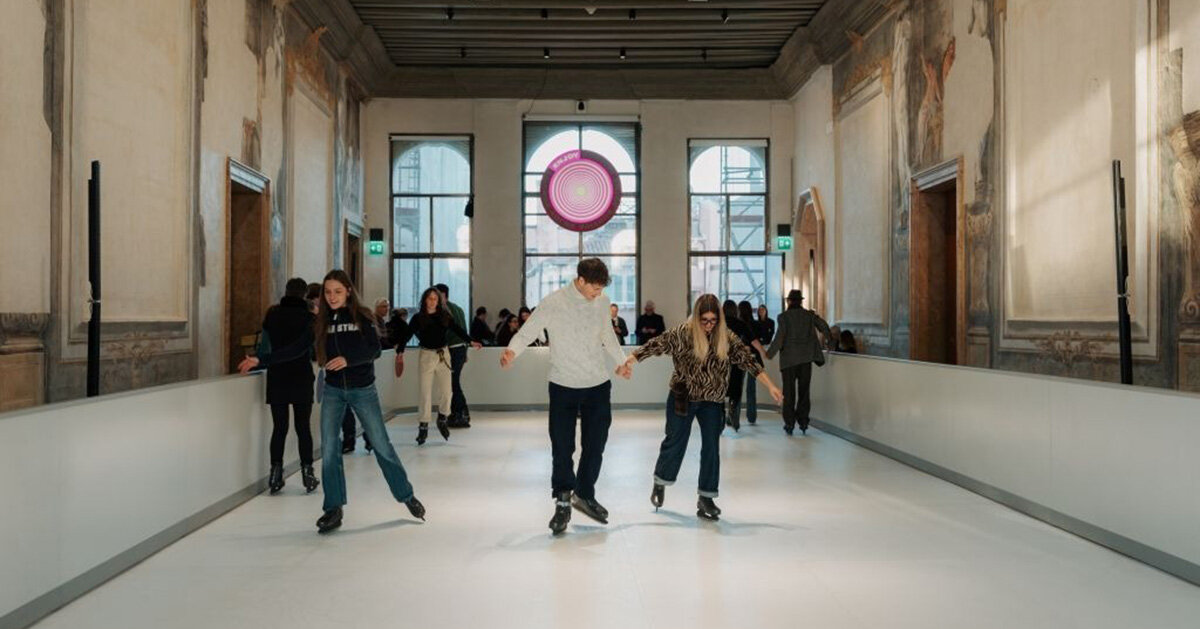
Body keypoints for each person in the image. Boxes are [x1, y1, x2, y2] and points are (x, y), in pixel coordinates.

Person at [241, 269, 424, 533]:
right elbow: (295, 349)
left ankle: (406, 495)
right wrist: (262, 359)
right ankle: (333, 509)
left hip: (363, 389)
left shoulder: (362, 316)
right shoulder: (319, 323)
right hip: (334, 391)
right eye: (327, 292)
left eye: (337, 291)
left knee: (382, 445)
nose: (332, 296)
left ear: (348, 291)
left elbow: (373, 349)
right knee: (329, 449)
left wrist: (350, 359)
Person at [622, 294, 783, 520]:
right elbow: (653, 346)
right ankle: (661, 480)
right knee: (675, 440)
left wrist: (772, 386)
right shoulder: (682, 334)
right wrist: (628, 361)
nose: (708, 325)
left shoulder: (726, 338)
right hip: (683, 396)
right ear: (696, 318)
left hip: (712, 400)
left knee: (711, 447)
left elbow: (749, 361)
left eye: (713, 320)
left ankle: (706, 497)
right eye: (704, 320)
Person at [500, 258, 628, 535]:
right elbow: (529, 329)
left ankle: (584, 494)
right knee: (562, 446)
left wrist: (621, 361)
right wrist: (512, 351)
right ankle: (562, 500)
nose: (598, 293)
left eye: (600, 289)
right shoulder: (553, 302)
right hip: (563, 385)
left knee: (596, 444)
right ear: (580, 280)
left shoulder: (602, 302)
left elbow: (607, 334)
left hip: (597, 384)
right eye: (594, 288)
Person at [255, 278, 319, 495]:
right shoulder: (310, 319)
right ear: (304, 295)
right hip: (301, 376)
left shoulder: (272, 315)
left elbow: (264, 347)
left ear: (286, 291)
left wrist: (262, 360)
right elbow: (313, 351)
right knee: (303, 428)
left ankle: (275, 474)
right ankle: (308, 474)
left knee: (279, 428)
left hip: (277, 377)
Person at [409, 287, 480, 443]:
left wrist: (470, 341)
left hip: (443, 355)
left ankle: (442, 418)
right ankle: (423, 426)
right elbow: (408, 333)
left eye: (435, 298)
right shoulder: (418, 318)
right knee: (425, 392)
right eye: (430, 298)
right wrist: (400, 350)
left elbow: (458, 329)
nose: (432, 301)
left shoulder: (444, 316)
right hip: (426, 355)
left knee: (447, 392)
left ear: (439, 301)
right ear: (424, 300)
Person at [766, 289, 832, 436]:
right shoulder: (809, 315)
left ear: (789, 301)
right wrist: (829, 341)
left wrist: (769, 354)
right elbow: (823, 326)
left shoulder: (783, 317)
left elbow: (780, 337)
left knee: (788, 393)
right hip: (806, 359)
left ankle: (789, 424)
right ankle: (803, 422)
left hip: (789, 361)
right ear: (801, 301)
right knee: (804, 392)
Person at [722, 300, 767, 431]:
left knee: (726, 388)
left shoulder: (719, 323)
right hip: (744, 360)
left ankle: (725, 418)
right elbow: (755, 340)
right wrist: (763, 352)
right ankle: (743, 417)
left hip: (726, 360)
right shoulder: (742, 324)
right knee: (743, 389)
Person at [436, 284, 474, 429]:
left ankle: (460, 414)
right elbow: (464, 329)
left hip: (452, 350)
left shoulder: (444, 310)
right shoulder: (458, 308)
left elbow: (448, 332)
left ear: (443, 295)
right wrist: (466, 351)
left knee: (452, 383)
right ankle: (460, 413)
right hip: (461, 349)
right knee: (453, 382)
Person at [738, 300, 763, 426]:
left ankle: (734, 417)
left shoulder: (738, 324)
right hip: (754, 358)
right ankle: (751, 417)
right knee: (751, 389)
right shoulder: (756, 324)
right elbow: (761, 340)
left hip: (740, 358)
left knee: (736, 388)